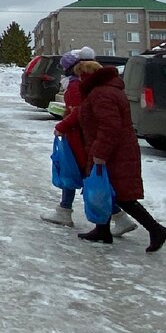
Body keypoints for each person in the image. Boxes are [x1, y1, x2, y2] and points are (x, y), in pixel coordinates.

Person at [74, 59, 166, 252]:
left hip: (113, 152)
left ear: (87, 75)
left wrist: (100, 153)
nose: (79, 79)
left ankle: (156, 230)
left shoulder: (101, 94)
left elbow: (109, 126)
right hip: (115, 150)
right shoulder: (106, 91)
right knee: (105, 191)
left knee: (121, 195)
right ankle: (102, 230)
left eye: (80, 75)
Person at [43, 48, 137, 235]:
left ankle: (118, 217)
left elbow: (79, 111)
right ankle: (66, 210)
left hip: (79, 137)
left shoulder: (78, 86)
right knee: (76, 173)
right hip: (78, 135)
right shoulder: (82, 84)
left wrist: (63, 124)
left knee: (81, 174)